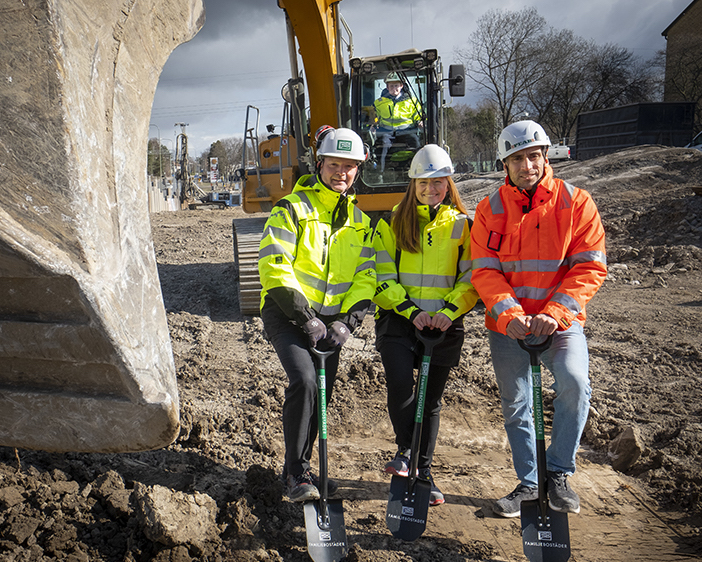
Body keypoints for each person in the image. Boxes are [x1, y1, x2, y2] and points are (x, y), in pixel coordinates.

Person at [470, 120, 607, 517]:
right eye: (517, 159)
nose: (526, 165)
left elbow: (590, 267)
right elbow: (484, 270)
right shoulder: (489, 208)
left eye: (533, 156)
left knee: (575, 383)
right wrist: (509, 313)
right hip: (508, 327)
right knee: (517, 404)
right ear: (505, 164)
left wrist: (557, 312)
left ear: (546, 156)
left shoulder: (577, 202)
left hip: (560, 323)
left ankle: (559, 472)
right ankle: (530, 482)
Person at [258, 126, 377, 502]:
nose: (342, 172)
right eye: (335, 164)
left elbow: (366, 276)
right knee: (306, 382)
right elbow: (275, 265)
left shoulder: (360, 222)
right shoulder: (292, 208)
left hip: (331, 325)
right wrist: (305, 316)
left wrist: (348, 322)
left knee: (321, 396)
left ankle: (301, 468)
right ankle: (296, 473)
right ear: (320, 163)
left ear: (359, 170)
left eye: (350, 166)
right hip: (287, 314)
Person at [371, 144, 478, 506]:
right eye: (423, 182)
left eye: (438, 182)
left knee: (429, 401)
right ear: (412, 183)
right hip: (399, 319)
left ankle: (423, 471)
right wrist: (409, 310)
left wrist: (448, 313)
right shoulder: (392, 221)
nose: (431, 189)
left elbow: (471, 278)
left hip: (444, 321)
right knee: (401, 385)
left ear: (448, 184)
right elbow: (380, 274)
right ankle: (406, 453)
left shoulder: (463, 226)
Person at [374, 72, 423, 172]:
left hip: (407, 131)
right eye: (391, 86)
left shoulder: (412, 101)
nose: (394, 88)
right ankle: (380, 174)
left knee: (416, 144)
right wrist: (373, 123)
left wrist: (420, 122)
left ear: (401, 86)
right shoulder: (378, 103)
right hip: (387, 132)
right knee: (381, 147)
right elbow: (374, 117)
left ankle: (418, 171)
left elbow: (418, 116)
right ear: (387, 87)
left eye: (396, 85)